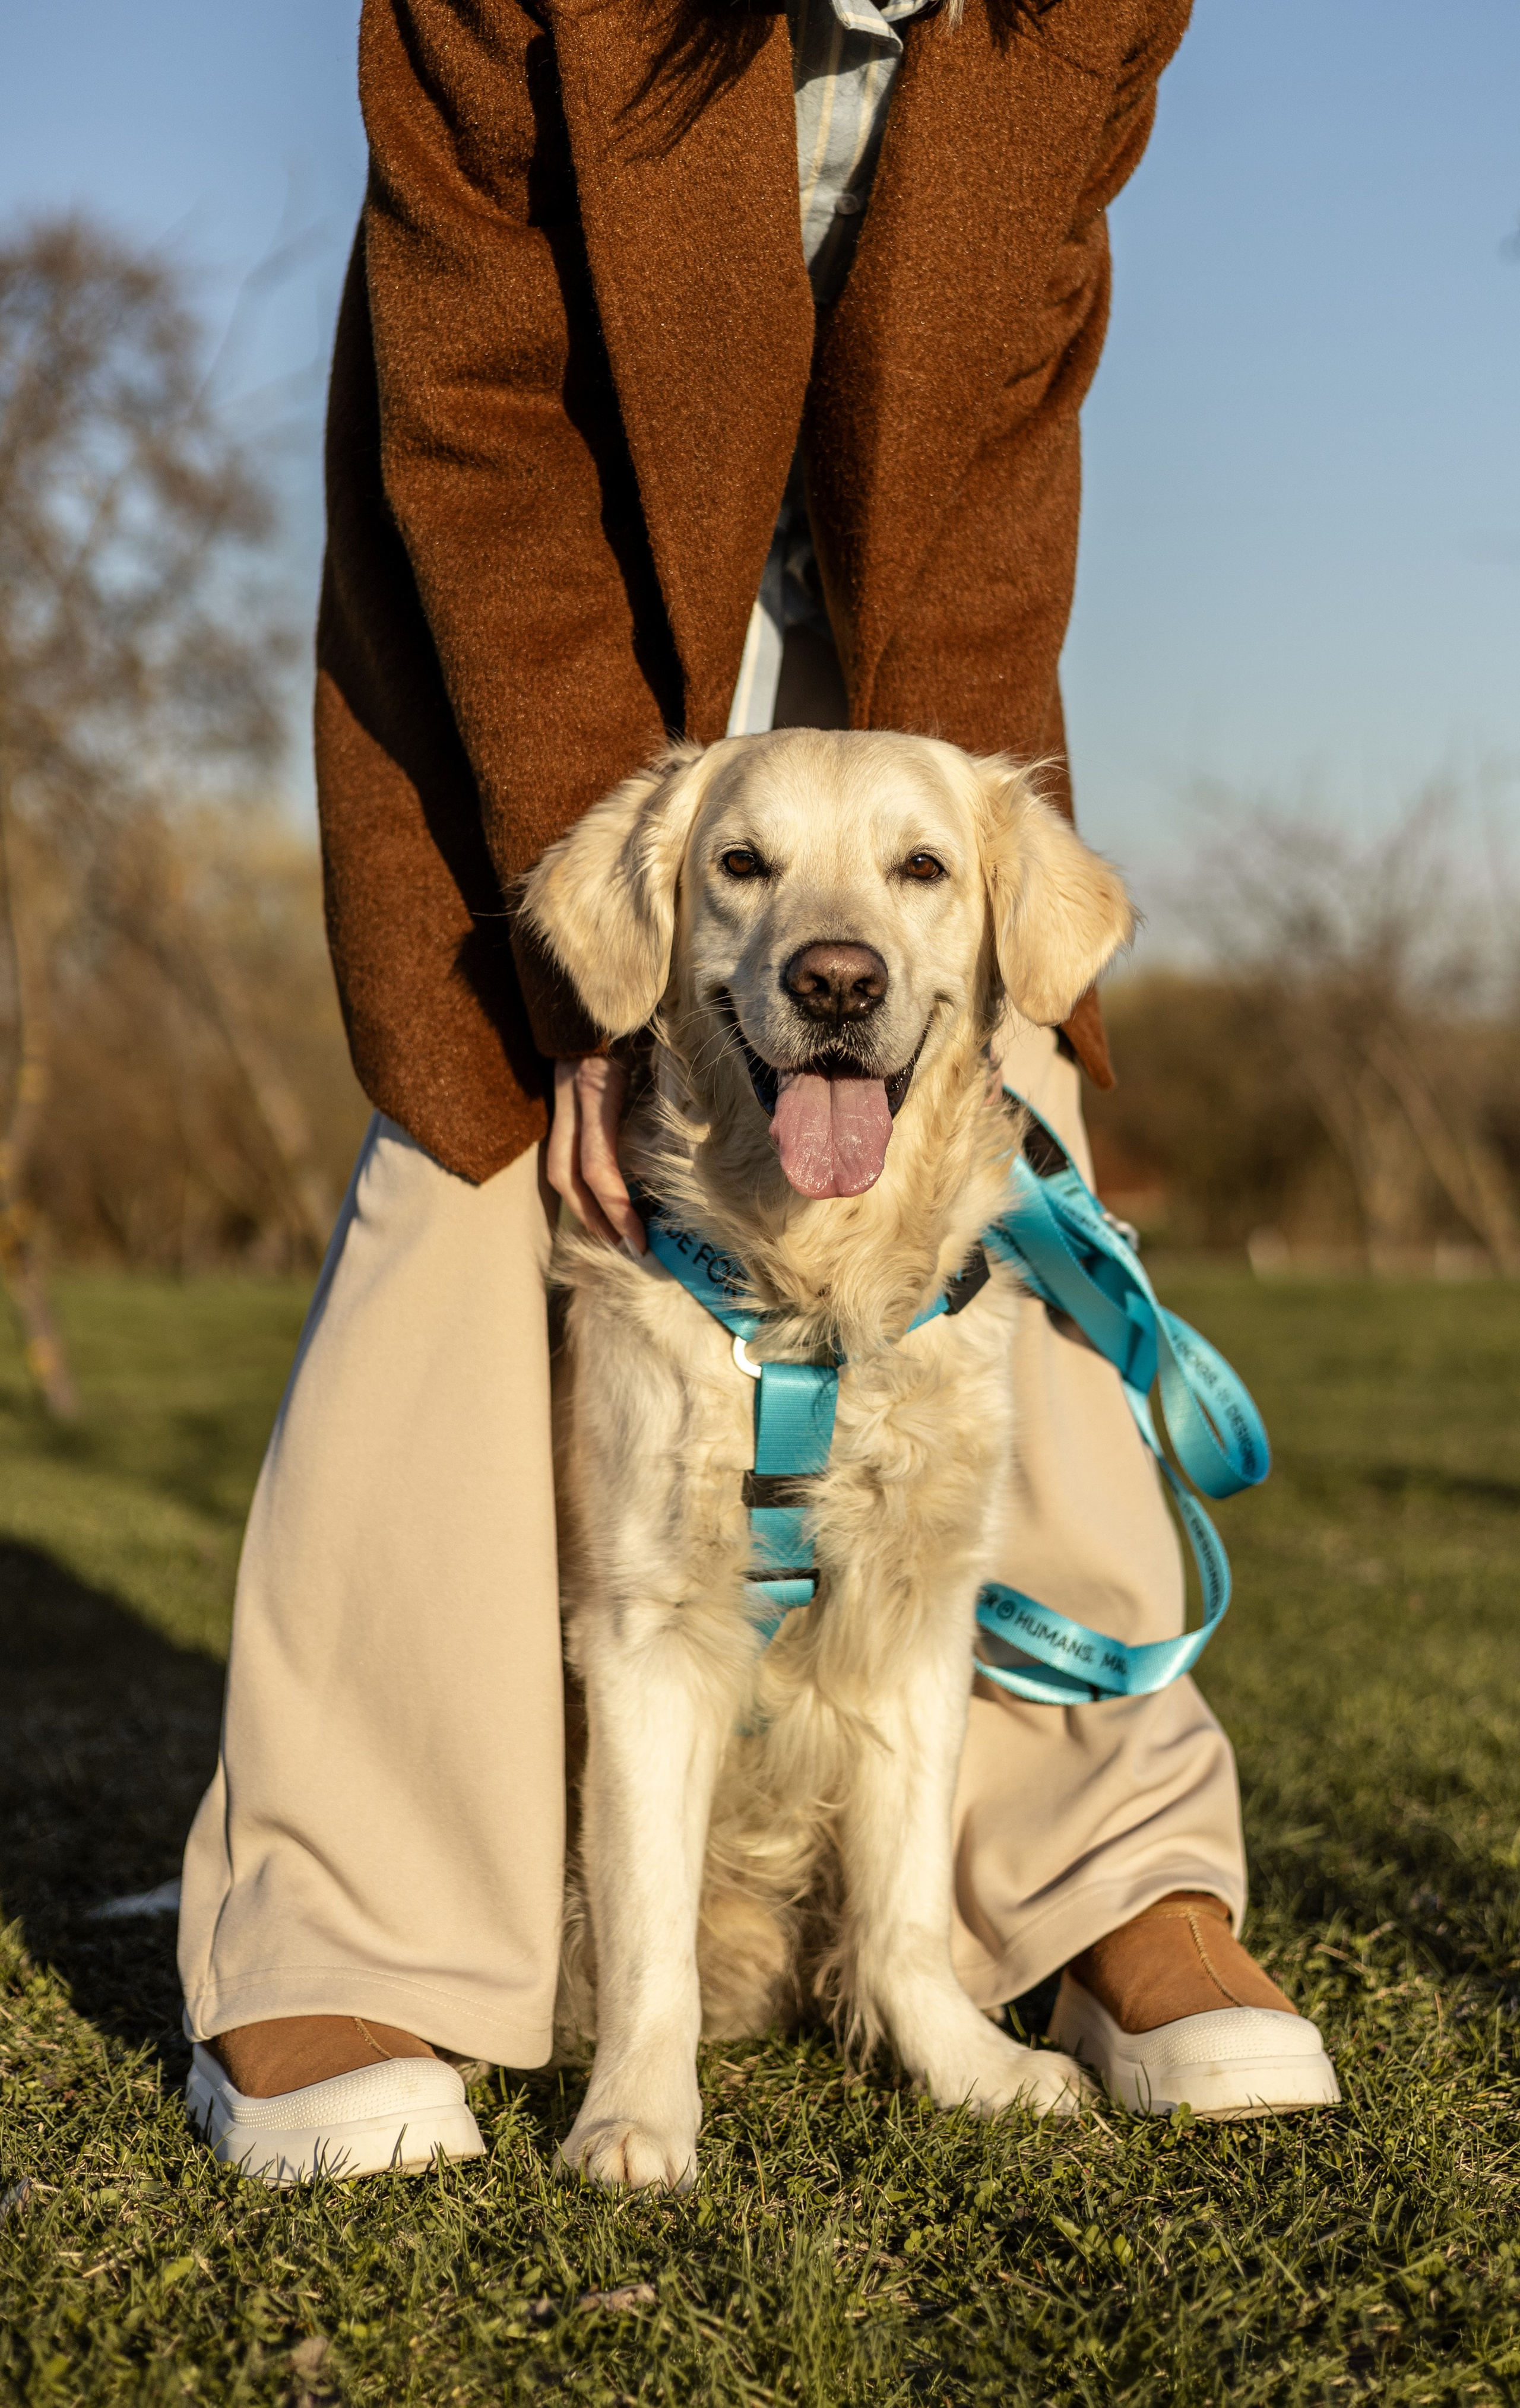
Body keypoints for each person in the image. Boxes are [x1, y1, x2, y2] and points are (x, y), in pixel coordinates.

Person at [178, 0, 1337, 2181]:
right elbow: (475, 417)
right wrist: (608, 1005)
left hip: (899, 638)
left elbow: (1009, 399)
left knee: (1015, 1163)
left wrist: (986, 972)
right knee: (471, 1173)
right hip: (541, 625)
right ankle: (346, 1911)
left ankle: (1096, 1877)